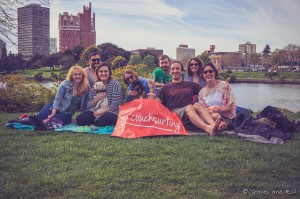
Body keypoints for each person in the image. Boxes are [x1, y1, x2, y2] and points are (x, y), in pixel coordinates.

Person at [148, 60, 221, 136]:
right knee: (190, 107)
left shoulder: (191, 85)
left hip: (191, 114)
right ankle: (208, 128)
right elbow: (154, 105)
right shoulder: (165, 88)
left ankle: (214, 126)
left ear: (182, 71)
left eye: (177, 69)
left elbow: (207, 92)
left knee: (204, 109)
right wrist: (152, 89)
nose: (175, 71)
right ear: (170, 72)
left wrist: (215, 76)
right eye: (173, 69)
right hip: (175, 115)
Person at [76, 62, 123, 127]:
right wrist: (96, 100)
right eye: (101, 71)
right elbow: (88, 106)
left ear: (109, 73)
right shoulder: (95, 86)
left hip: (112, 111)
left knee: (104, 119)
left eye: (106, 71)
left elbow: (116, 104)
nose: (103, 73)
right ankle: (95, 122)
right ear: (98, 73)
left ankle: (94, 123)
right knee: (80, 119)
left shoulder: (114, 84)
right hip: (96, 111)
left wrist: (103, 111)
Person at [198, 62, 237, 134]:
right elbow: (203, 110)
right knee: (215, 116)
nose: (208, 74)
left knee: (217, 115)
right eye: (205, 72)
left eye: (210, 71)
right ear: (203, 75)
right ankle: (217, 127)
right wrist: (211, 111)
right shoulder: (201, 92)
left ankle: (219, 126)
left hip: (225, 116)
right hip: (210, 116)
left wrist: (217, 109)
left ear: (215, 73)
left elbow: (230, 107)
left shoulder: (224, 85)